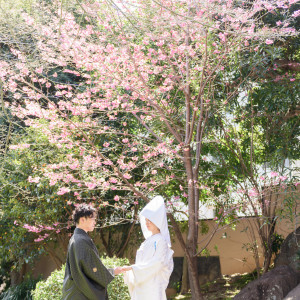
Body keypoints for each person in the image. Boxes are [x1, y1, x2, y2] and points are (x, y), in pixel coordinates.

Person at [62, 203, 122, 300]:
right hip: (80, 294)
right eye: (92, 219)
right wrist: (113, 271)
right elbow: (92, 268)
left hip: (75, 292)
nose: (95, 222)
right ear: (82, 219)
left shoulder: (76, 238)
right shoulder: (80, 240)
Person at [121, 196, 174, 300]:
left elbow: (158, 263)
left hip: (153, 286)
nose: (147, 223)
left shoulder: (161, 241)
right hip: (141, 285)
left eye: (150, 220)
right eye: (146, 220)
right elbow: (141, 263)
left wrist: (133, 268)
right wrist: (131, 271)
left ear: (158, 221)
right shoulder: (146, 242)